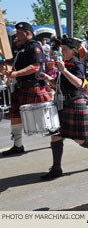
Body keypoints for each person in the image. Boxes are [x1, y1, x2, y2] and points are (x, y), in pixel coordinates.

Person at [39, 38, 88, 180]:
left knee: (80, 140)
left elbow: (78, 83)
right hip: (62, 104)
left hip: (75, 103)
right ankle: (56, 168)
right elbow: (60, 84)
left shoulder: (77, 65)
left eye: (64, 49)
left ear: (73, 51)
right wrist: (47, 78)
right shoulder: (64, 64)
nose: (61, 52)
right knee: (56, 135)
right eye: (61, 49)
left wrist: (63, 70)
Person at [0, 22, 51, 156]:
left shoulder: (34, 46)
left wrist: (16, 74)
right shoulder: (22, 47)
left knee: (46, 116)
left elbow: (35, 66)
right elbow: (15, 61)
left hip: (33, 86)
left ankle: (58, 137)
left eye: (19, 33)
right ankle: (18, 145)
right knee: (15, 116)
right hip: (20, 87)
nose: (16, 36)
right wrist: (4, 62)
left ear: (27, 33)